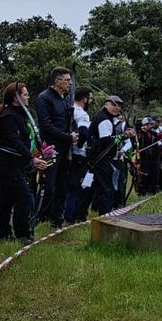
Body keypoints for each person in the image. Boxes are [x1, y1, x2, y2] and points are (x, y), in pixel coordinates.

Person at [0, 83, 49, 242]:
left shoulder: (20, 114)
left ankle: (4, 233)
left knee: (7, 199)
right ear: (16, 98)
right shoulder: (9, 116)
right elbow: (15, 142)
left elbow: (27, 139)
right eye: (25, 94)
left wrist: (38, 152)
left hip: (16, 165)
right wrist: (32, 159)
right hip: (6, 165)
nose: (28, 97)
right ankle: (22, 234)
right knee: (24, 198)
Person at [34, 67, 76, 228]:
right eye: (67, 80)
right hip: (50, 148)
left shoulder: (66, 98)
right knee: (49, 185)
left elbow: (69, 122)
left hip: (66, 148)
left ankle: (57, 218)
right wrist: (67, 136)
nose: (70, 83)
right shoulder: (44, 98)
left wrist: (74, 133)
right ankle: (40, 216)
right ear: (57, 81)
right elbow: (46, 125)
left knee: (62, 185)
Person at [89, 95, 134, 214]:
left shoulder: (104, 117)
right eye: (114, 104)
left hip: (98, 159)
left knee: (98, 188)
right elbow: (105, 141)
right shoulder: (104, 119)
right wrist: (123, 136)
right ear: (106, 104)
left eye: (119, 106)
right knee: (106, 189)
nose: (117, 107)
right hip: (101, 160)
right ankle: (105, 217)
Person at [63, 86, 93, 223]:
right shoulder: (82, 114)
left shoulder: (68, 109)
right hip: (79, 155)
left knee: (69, 185)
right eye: (90, 98)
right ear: (84, 99)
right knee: (78, 186)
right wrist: (80, 145)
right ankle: (72, 217)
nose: (90, 101)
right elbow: (84, 132)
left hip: (67, 153)